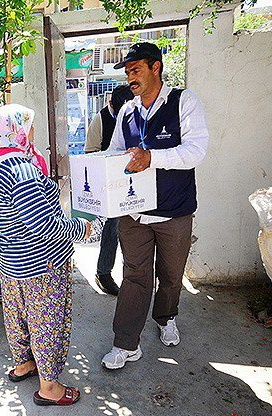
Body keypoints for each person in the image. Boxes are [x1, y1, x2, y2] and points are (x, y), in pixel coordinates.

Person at [100, 43, 209, 370]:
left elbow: (196, 151)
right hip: (134, 212)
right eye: (128, 71)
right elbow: (115, 151)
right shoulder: (127, 111)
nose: (130, 76)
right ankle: (125, 343)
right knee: (134, 275)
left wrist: (152, 158)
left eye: (136, 70)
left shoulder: (183, 102)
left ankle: (166, 317)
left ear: (156, 68)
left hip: (174, 211)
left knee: (171, 275)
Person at [0, 104, 91, 406]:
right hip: (42, 260)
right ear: (15, 131)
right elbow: (44, 225)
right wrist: (81, 229)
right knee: (47, 320)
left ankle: (24, 363)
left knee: (18, 315)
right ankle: (49, 387)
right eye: (28, 125)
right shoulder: (21, 169)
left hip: (12, 259)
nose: (32, 131)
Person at [84, 85, 135, 296]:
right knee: (112, 226)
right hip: (109, 184)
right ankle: (103, 273)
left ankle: (134, 277)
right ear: (112, 104)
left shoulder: (137, 114)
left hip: (135, 181)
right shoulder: (101, 119)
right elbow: (90, 152)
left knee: (135, 229)